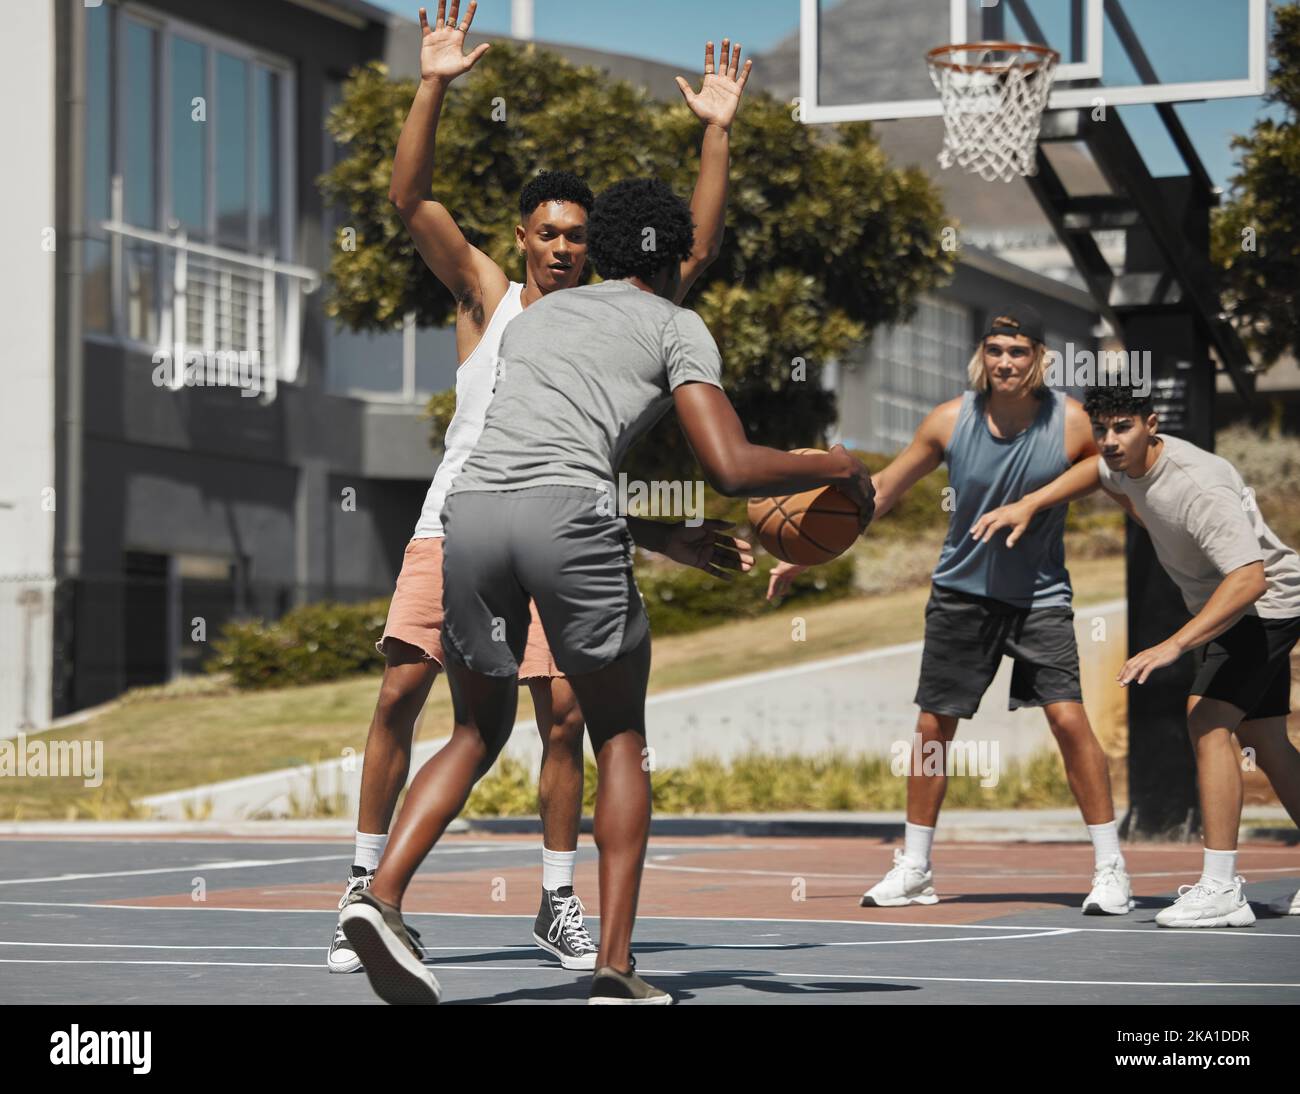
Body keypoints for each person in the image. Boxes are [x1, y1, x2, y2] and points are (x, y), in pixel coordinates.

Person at [340, 176, 875, 1005]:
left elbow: (535, 462)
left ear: (608, 247)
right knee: (618, 734)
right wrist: (835, 466)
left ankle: (379, 898)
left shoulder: (539, 315)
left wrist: (651, 533)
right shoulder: (677, 324)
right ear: (678, 259)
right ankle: (616, 967)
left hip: (470, 517)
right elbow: (730, 469)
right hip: (568, 518)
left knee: (477, 730)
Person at [328, 0, 754, 973]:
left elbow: (690, 254)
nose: (563, 246)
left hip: (546, 526)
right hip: (458, 521)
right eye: (548, 232)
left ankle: (556, 896)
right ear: (522, 237)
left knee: (563, 713)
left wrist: (716, 137)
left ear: (593, 246)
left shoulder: (615, 319)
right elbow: (409, 200)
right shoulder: (490, 295)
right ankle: (364, 885)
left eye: (576, 234)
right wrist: (431, 82)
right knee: (404, 690)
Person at [771, 306, 1132, 915]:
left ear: (1039, 357)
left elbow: (1111, 473)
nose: (1006, 363)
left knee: (1069, 722)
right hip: (960, 595)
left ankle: (1110, 868)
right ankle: (914, 868)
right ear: (982, 357)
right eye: (995, 351)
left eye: (1018, 352)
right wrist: (813, 551)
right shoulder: (949, 420)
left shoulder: (1070, 423)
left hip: (1039, 598)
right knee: (933, 729)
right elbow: (881, 491)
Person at [973, 381, 1300, 926]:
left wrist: (1173, 645)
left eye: (1122, 427)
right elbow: (1097, 475)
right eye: (1100, 430)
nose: (1109, 441)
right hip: (1245, 602)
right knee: (1265, 739)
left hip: (1265, 605)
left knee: (1207, 721)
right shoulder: (1121, 463)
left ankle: (1222, 889)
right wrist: (1029, 504)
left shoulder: (1199, 484)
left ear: (1153, 425)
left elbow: (1249, 579)